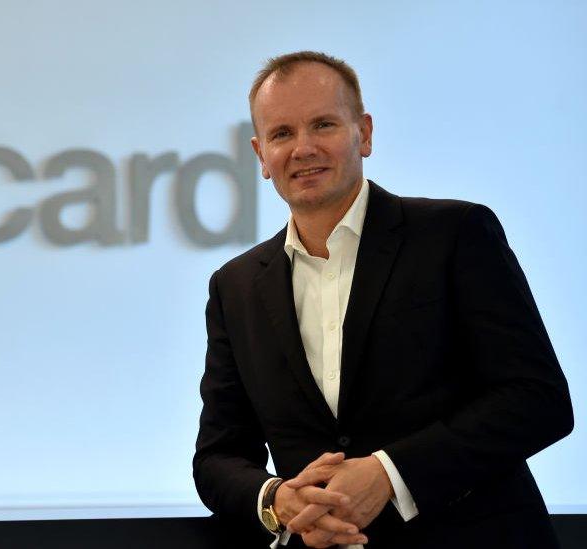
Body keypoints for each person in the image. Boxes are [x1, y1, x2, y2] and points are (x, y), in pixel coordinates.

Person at [192, 51, 573, 549]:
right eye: (282, 134)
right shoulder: (235, 286)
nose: (303, 148)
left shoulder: (455, 234)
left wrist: (390, 474)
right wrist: (277, 500)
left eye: (323, 124)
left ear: (364, 134)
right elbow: (218, 457)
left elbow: (537, 399)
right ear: (261, 155)